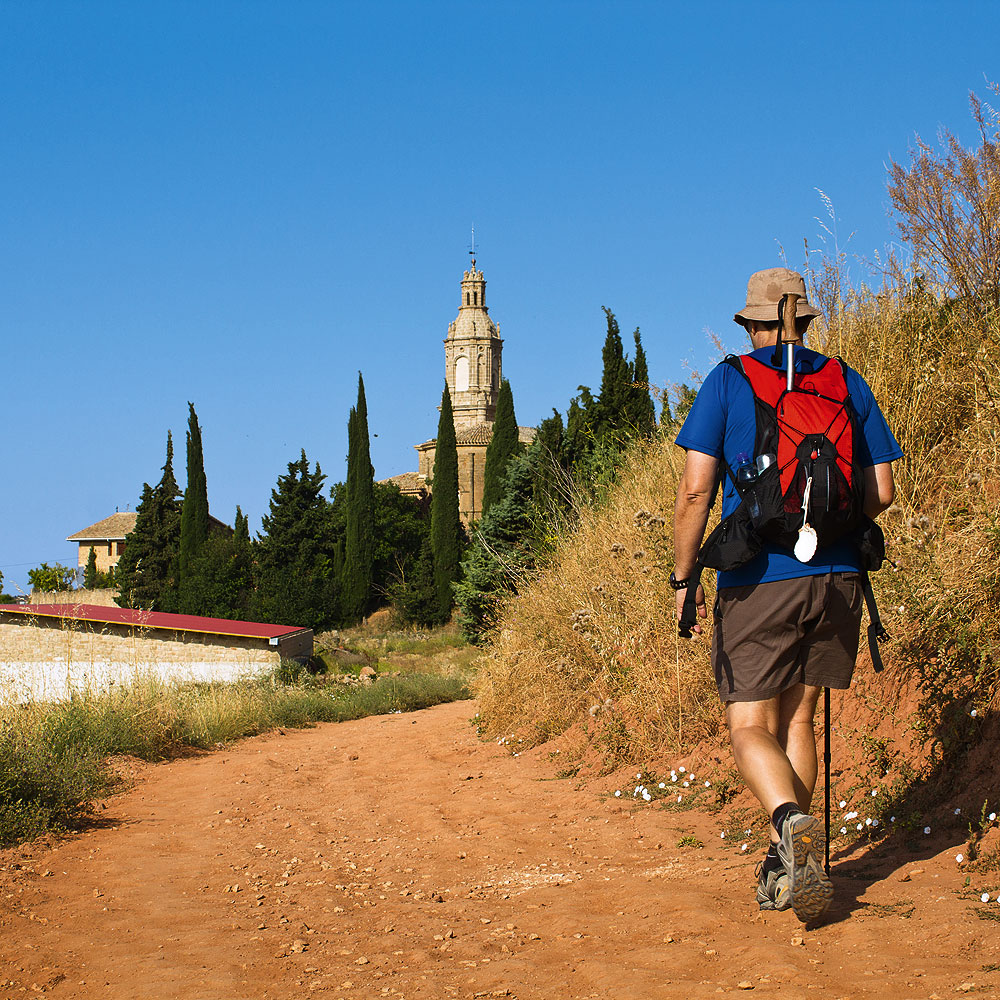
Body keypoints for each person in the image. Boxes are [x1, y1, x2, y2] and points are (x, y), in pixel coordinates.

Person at [671, 267, 901, 922]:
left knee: (749, 724)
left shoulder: (729, 381)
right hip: (837, 579)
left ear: (754, 326)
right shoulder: (845, 380)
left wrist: (685, 579)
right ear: (806, 322)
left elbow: (695, 492)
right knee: (797, 719)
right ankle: (791, 858)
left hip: (758, 578)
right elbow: (881, 492)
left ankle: (789, 821)